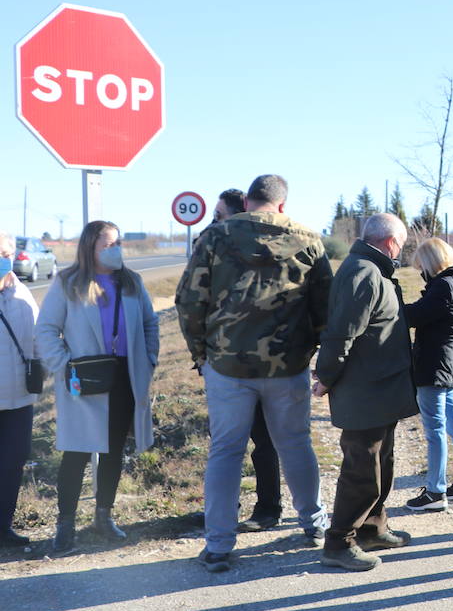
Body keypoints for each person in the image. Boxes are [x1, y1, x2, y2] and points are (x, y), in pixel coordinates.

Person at [176, 174, 332, 572]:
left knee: (226, 452)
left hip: (227, 367)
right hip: (288, 366)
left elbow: (190, 300)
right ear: (282, 205)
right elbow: (325, 308)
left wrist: (202, 355)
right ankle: (314, 524)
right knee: (295, 444)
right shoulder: (310, 241)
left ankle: (218, 545)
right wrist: (314, 352)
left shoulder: (214, 237)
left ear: (247, 201)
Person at [37, 221, 160, 554]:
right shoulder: (68, 282)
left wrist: (148, 358)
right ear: (90, 248)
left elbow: (150, 322)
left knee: (112, 451)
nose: (115, 249)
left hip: (124, 376)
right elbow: (46, 330)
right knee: (76, 453)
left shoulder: (131, 282)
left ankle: (103, 516)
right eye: (107, 244)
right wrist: (65, 366)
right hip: (83, 378)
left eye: (118, 242)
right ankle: (65, 525)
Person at [314, 213, 419, 571]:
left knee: (381, 461)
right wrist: (325, 375)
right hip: (365, 392)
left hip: (381, 390)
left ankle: (372, 528)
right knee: (363, 467)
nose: (401, 252)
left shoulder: (374, 271)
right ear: (390, 242)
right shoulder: (363, 272)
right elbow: (342, 332)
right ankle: (339, 541)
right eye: (401, 245)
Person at [203, 186, 282, 532]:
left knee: (266, 440)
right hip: (223, 364)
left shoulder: (262, 252)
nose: (213, 222)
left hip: (263, 363)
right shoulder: (216, 250)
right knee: (225, 444)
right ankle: (222, 511)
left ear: (240, 213)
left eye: (219, 215)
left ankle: (269, 509)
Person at [403, 237, 453, 511]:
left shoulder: (442, 287)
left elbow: (413, 316)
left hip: (434, 366)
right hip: (451, 363)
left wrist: (390, 305)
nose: (419, 271)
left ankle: (435, 492)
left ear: (430, 263)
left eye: (420, 265)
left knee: (435, 430)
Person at [0, 231, 40, 547]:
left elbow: (39, 340)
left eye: (5, 253)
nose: (2, 259)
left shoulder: (23, 294)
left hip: (19, 400)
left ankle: (4, 528)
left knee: (13, 464)